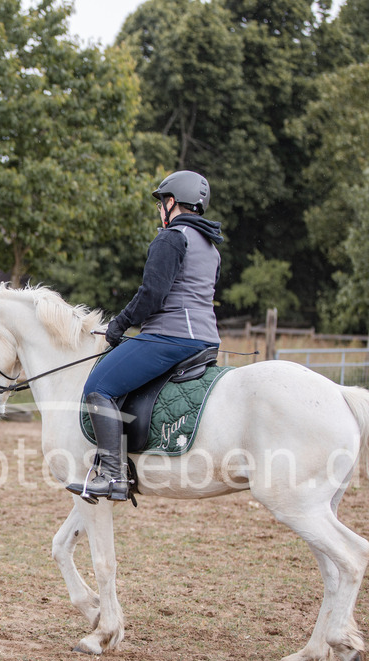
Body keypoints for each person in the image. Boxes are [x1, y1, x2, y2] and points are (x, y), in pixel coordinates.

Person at [66, 170, 223, 503]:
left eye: (160, 203)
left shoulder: (172, 237)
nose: (159, 211)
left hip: (171, 338)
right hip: (206, 339)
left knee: (99, 387)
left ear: (171, 202)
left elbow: (152, 293)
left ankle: (112, 474)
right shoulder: (210, 247)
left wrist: (118, 326)